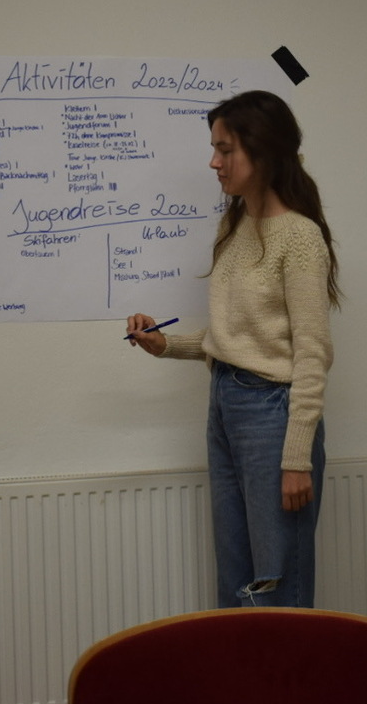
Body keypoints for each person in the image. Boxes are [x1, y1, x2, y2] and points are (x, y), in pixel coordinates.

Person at [126, 90, 339, 608]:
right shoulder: (236, 224)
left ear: (262, 152)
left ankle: (284, 668)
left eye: (225, 150)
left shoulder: (299, 237)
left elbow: (312, 353)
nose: (214, 162)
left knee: (275, 585)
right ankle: (240, 667)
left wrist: (296, 458)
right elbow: (239, 337)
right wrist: (166, 345)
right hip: (225, 403)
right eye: (214, 149)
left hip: (273, 415)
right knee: (235, 580)